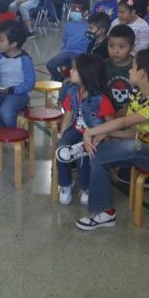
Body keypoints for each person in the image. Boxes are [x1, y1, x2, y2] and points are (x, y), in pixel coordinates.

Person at [75, 50, 149, 230]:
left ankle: (81, 150)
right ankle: (104, 212)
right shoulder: (137, 94)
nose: (129, 71)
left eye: (132, 67)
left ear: (142, 73)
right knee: (100, 157)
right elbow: (132, 133)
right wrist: (106, 134)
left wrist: (90, 133)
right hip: (138, 146)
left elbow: (123, 122)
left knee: (104, 151)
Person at [54, 53, 116, 205]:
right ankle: (65, 184)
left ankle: (86, 187)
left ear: (86, 74)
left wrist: (104, 138)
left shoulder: (102, 99)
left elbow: (111, 123)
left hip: (95, 135)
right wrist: (63, 133)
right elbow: (68, 114)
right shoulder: (73, 91)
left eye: (75, 69)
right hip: (76, 130)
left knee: (86, 155)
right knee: (61, 149)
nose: (71, 71)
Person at [0, 24, 35, 127]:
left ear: (13, 44)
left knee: (5, 111)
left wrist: (12, 90)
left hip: (19, 94)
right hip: (1, 92)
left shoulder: (24, 59)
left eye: (1, 40)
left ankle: (15, 134)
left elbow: (30, 83)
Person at [47, 0, 90, 81]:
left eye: (77, 10)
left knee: (76, 70)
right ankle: (59, 80)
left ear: (86, 12)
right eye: (73, 10)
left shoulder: (88, 26)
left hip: (80, 55)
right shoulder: (69, 25)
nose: (73, 12)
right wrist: (63, 52)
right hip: (67, 52)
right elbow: (65, 40)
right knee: (50, 65)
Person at [103, 24, 136, 113]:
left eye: (121, 47)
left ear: (132, 48)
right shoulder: (102, 65)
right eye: (111, 46)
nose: (115, 51)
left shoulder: (137, 67)